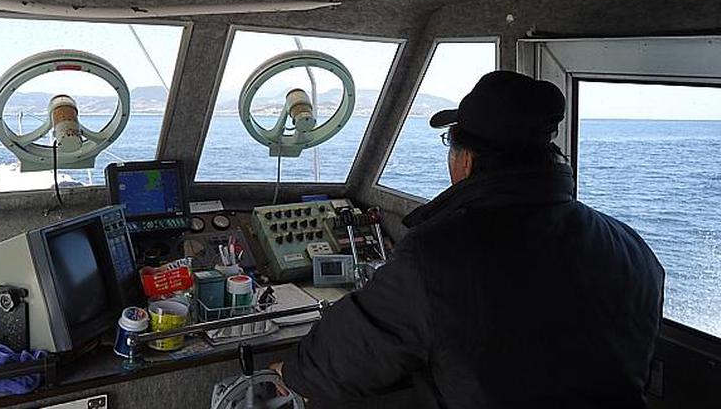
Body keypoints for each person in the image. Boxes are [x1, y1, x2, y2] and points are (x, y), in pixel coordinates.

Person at [273, 70, 665, 408]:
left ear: (467, 160)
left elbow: (341, 362)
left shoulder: (436, 256)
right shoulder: (631, 249)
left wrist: (292, 372)